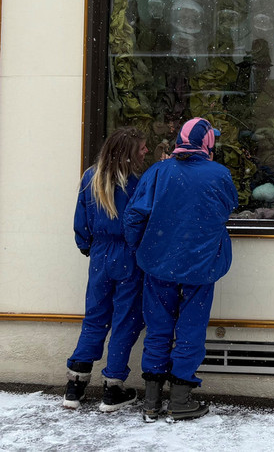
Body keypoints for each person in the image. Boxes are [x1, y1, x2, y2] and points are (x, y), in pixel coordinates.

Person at [124, 117, 238, 421]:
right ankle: (180, 399)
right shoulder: (219, 175)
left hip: (159, 264)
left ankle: (151, 401)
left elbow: (134, 217)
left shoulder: (158, 172)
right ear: (208, 145)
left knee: (158, 328)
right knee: (191, 328)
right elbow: (228, 208)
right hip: (201, 267)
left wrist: (141, 249)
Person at [64, 127, 149, 411]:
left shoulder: (92, 177)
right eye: (142, 148)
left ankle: (75, 384)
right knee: (126, 319)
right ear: (129, 152)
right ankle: (113, 387)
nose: (145, 152)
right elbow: (143, 219)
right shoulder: (137, 181)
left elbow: (81, 219)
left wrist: (86, 244)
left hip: (100, 256)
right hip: (130, 254)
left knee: (95, 316)